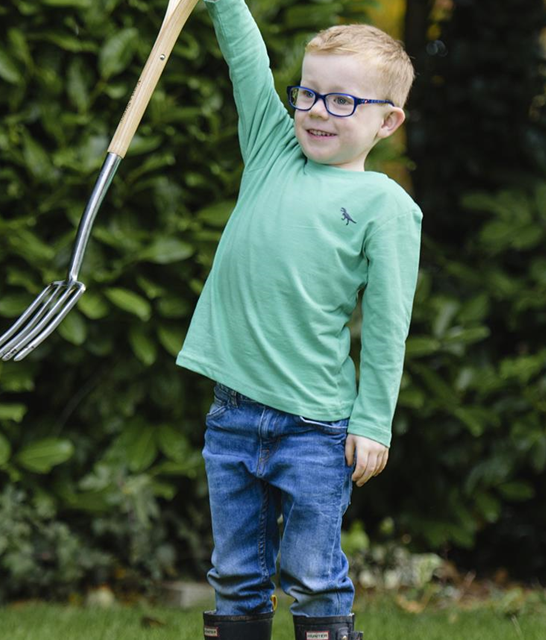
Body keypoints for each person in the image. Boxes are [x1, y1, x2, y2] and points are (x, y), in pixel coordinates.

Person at [175, 1, 422, 638]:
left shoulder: (383, 204)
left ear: (388, 121)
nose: (316, 109)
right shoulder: (271, 148)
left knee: (312, 574)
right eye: (309, 92)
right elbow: (247, 64)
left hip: (315, 424)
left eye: (343, 101)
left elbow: (390, 324)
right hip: (233, 412)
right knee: (234, 574)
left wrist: (374, 422)